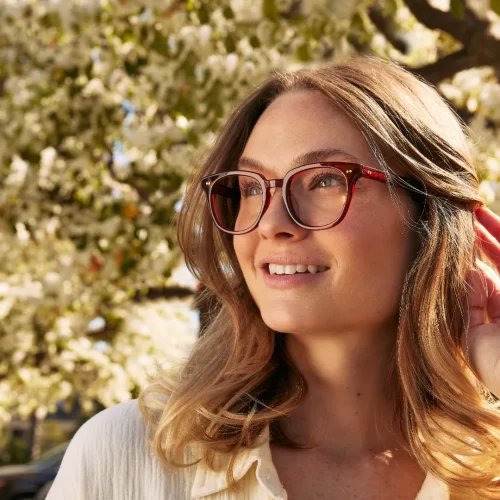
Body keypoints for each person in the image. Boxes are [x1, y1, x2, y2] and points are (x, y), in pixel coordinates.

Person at [47, 57, 500, 500]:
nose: (271, 222)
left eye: (324, 180)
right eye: (250, 186)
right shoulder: (125, 457)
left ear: (431, 214)